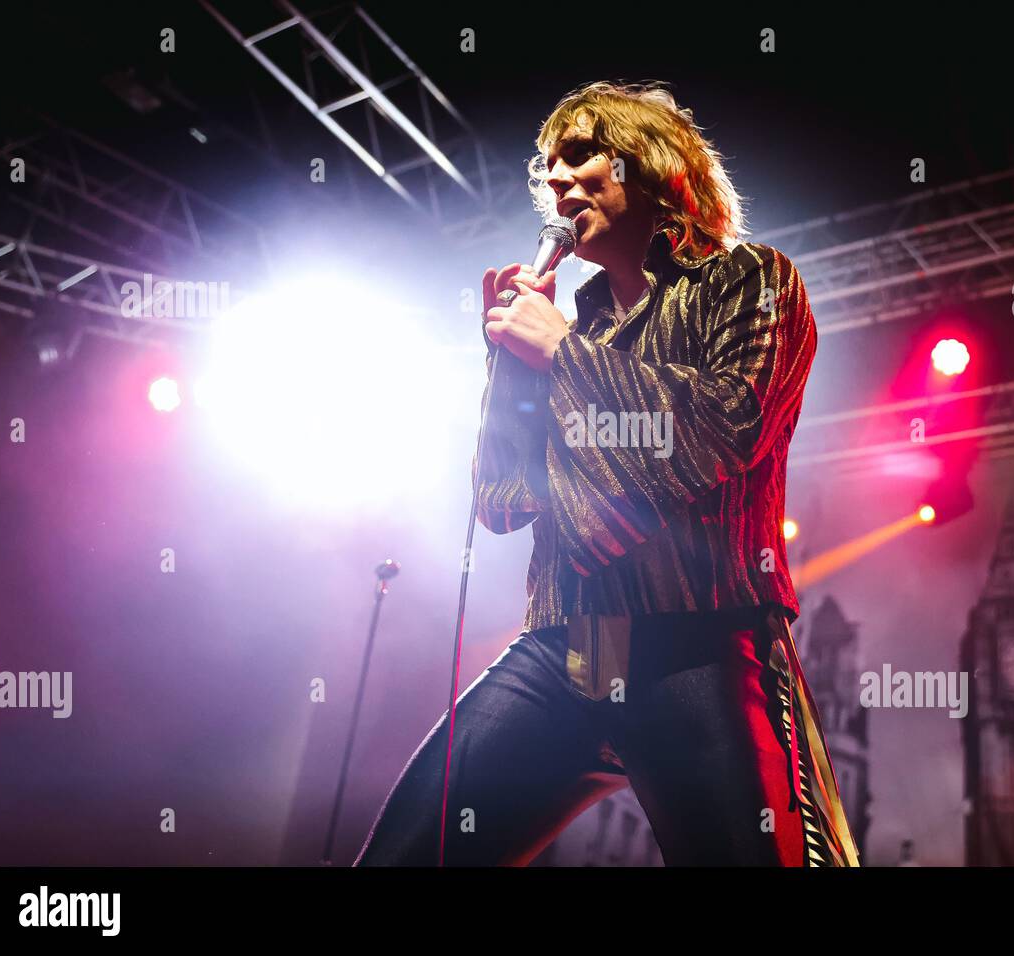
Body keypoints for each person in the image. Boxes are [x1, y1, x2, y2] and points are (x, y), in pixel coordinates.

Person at [355, 80, 859, 867]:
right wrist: (513, 369)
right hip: (572, 643)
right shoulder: (578, 322)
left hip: (701, 638)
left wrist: (560, 353)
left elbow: (721, 430)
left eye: (581, 156)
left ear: (654, 167)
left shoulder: (749, 281)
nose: (556, 179)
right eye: (548, 166)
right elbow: (501, 502)